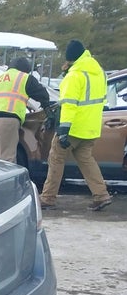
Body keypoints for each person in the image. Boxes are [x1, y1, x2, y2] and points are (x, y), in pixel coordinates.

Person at [40, 40, 112, 211]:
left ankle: (48, 198)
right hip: (91, 127)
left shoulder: (75, 75)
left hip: (72, 127)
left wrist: (63, 129)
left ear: (70, 59)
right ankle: (101, 195)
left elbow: (69, 104)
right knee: (87, 161)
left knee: (56, 159)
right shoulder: (99, 72)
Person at [0, 57, 50, 163]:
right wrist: (46, 105)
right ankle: (7, 179)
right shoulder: (24, 77)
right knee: (7, 158)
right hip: (8, 120)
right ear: (26, 70)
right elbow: (43, 95)